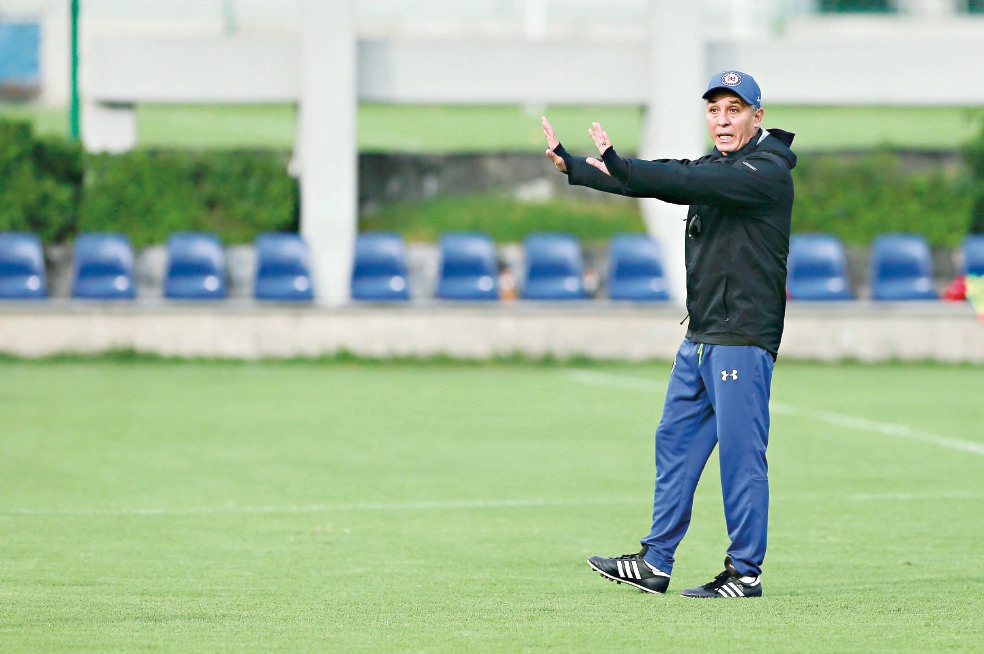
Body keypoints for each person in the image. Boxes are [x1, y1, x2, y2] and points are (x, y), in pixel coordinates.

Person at [542, 70, 796, 598]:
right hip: (701, 335)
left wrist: (621, 162)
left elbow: (683, 182)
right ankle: (655, 563)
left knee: (740, 457)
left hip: (742, 338)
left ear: (757, 116)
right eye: (714, 110)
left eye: (734, 109)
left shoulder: (765, 172)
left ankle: (744, 573)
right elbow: (675, 176)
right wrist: (580, 170)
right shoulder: (718, 166)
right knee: (674, 443)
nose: (722, 120)